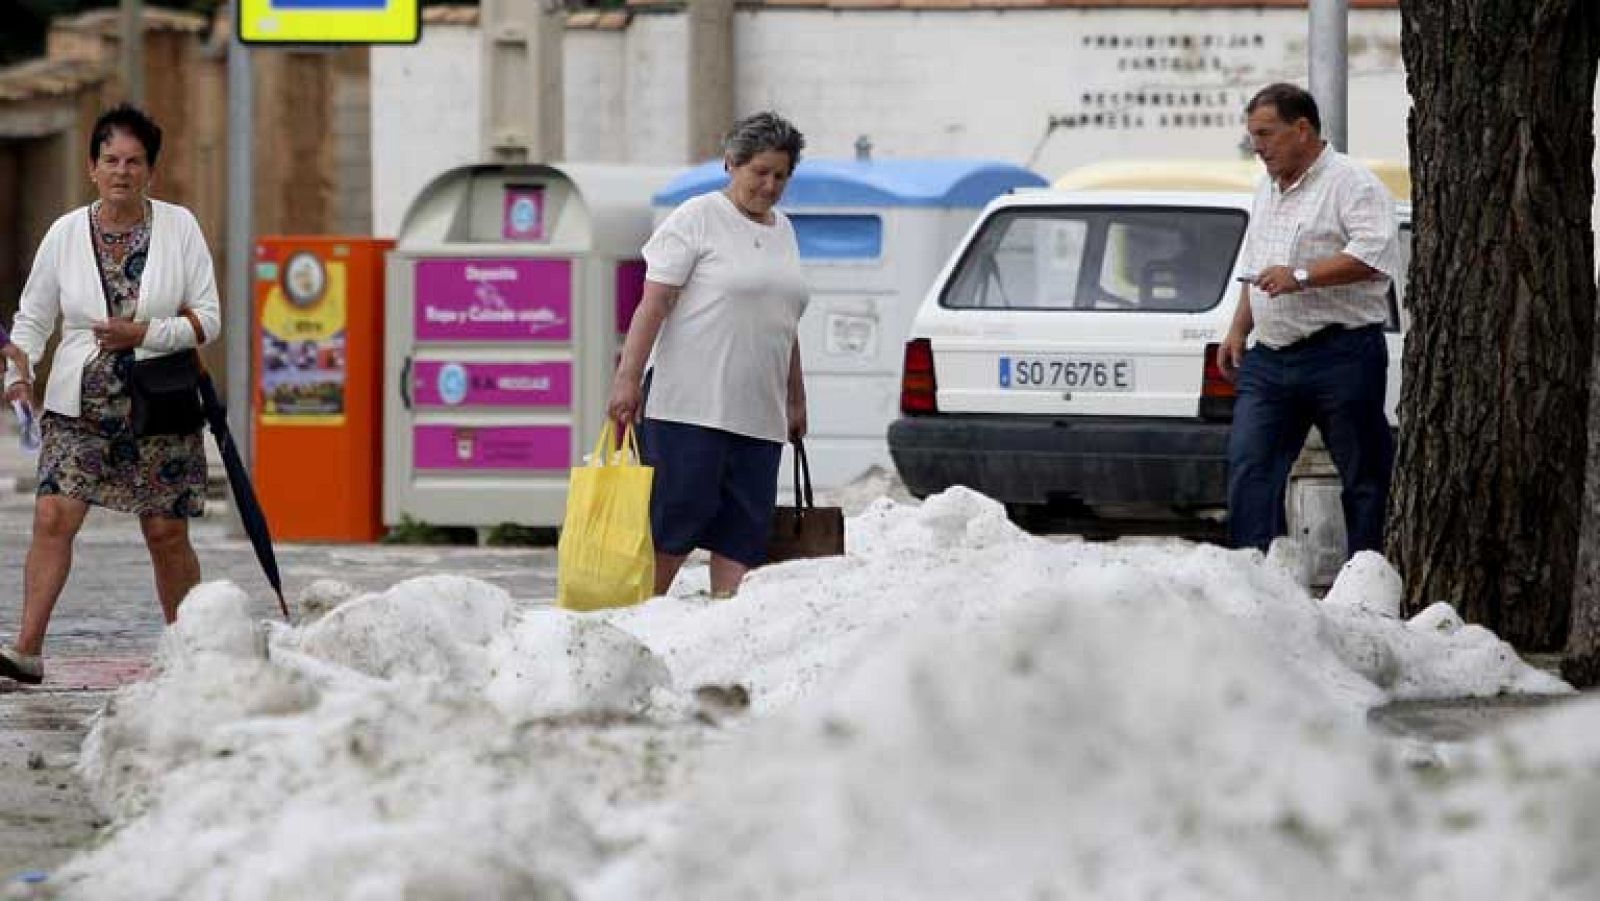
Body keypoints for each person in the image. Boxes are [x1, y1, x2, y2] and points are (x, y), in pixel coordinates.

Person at [0, 104, 221, 685]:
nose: (121, 171)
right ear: (91, 168)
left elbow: (207, 320)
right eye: (110, 160)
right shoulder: (65, 233)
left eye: (134, 161)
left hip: (161, 403)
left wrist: (144, 332)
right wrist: (18, 374)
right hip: (80, 409)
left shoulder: (181, 228)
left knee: (166, 532)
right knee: (53, 515)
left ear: (151, 170)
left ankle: (190, 656)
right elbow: (32, 318)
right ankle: (25, 651)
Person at [606, 111, 809, 599]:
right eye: (760, 171)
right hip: (688, 406)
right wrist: (627, 379)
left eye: (780, 175)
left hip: (758, 413)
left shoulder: (784, 230)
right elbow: (652, 305)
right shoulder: (697, 218)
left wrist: (796, 398)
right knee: (675, 520)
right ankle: (642, 620)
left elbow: (784, 321)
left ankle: (725, 633)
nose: (769, 185)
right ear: (731, 164)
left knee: (745, 533)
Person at [1217, 82, 1402, 558]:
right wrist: (1239, 328)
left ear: (1302, 129)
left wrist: (1301, 276)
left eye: (1266, 134)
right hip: (1271, 356)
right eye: (1253, 136)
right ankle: (1255, 577)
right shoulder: (1267, 189)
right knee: (1249, 466)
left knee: (1363, 474)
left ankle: (1367, 576)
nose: (1257, 147)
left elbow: (1374, 256)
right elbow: (1257, 263)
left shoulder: (1351, 183)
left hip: (1340, 353)